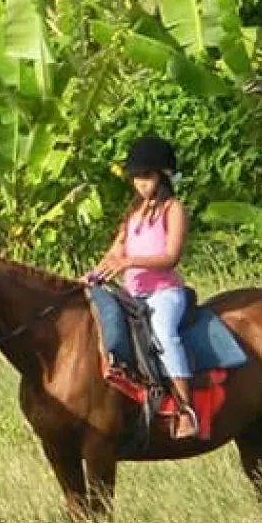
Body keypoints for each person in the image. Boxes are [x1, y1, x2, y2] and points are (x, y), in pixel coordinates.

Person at [89, 134, 196, 438]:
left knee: (164, 335)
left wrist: (129, 262)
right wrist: (92, 275)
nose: (140, 183)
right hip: (131, 295)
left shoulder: (173, 210)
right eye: (136, 177)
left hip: (164, 293)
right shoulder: (132, 215)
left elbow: (170, 257)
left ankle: (185, 409)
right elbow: (113, 254)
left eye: (147, 176)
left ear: (163, 176)